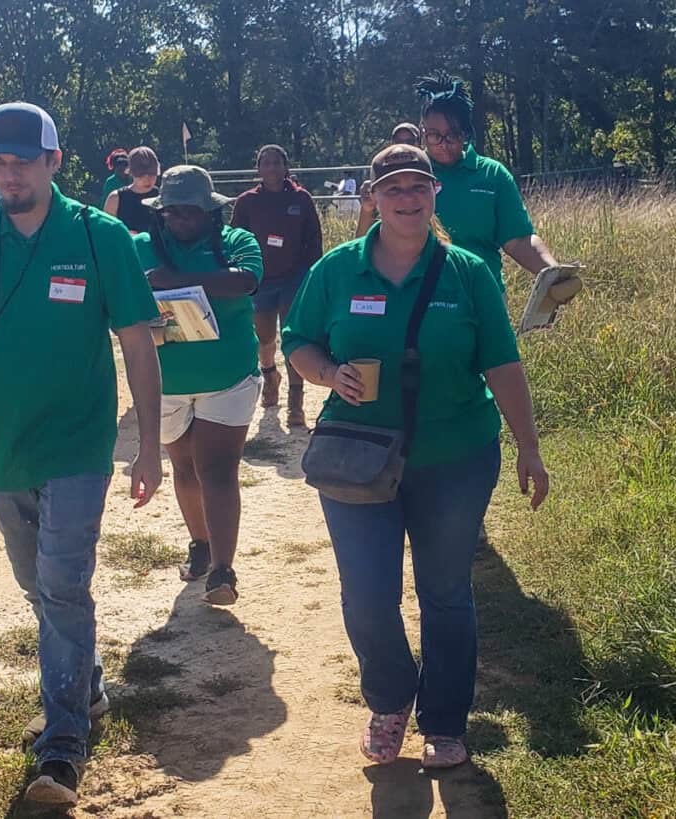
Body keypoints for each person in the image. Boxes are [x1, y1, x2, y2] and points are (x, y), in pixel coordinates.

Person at [0, 102, 162, 808]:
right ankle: (89, 681)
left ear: (54, 160)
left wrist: (151, 447)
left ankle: (63, 744)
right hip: (5, 441)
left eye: (21, 160)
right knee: (36, 583)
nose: (6, 174)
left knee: (63, 583)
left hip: (78, 440)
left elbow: (138, 341)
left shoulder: (99, 235)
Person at [282, 144, 549, 770]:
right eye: (393, 188)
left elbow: (503, 364)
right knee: (368, 595)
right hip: (358, 456)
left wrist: (529, 448)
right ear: (374, 196)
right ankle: (390, 699)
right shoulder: (337, 270)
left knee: (446, 592)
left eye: (418, 188)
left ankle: (446, 721)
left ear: (434, 196)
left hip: (455, 455)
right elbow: (298, 340)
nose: (407, 199)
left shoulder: (467, 273)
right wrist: (328, 372)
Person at [133, 165, 263, 605]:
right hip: (165, 381)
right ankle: (201, 544)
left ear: (212, 212)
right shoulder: (140, 248)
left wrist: (179, 282)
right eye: (172, 213)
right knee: (184, 468)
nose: (181, 221)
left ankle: (223, 570)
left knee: (217, 468)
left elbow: (246, 282)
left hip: (226, 376)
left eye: (191, 212)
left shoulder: (237, 243)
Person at [356, 75, 565, 295]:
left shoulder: (492, 175)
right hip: (418, 297)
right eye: (435, 136)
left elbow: (518, 240)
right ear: (423, 131)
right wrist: (366, 210)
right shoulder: (409, 176)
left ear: (466, 133)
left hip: (482, 296)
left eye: (453, 135)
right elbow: (366, 246)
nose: (444, 144)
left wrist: (552, 272)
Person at [230, 144, 322, 426]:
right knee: (265, 338)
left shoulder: (301, 199)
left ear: (286, 167)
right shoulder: (247, 201)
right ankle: (270, 375)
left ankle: (296, 400)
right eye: (265, 163)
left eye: (276, 163)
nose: (271, 168)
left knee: (292, 337)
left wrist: (310, 273)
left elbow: (314, 239)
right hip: (260, 279)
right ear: (258, 168)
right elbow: (235, 237)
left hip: (293, 277)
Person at [104, 146, 160, 234]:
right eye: (141, 175)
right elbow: (106, 233)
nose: (147, 179)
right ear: (131, 173)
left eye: (152, 174)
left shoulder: (163, 196)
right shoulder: (115, 199)